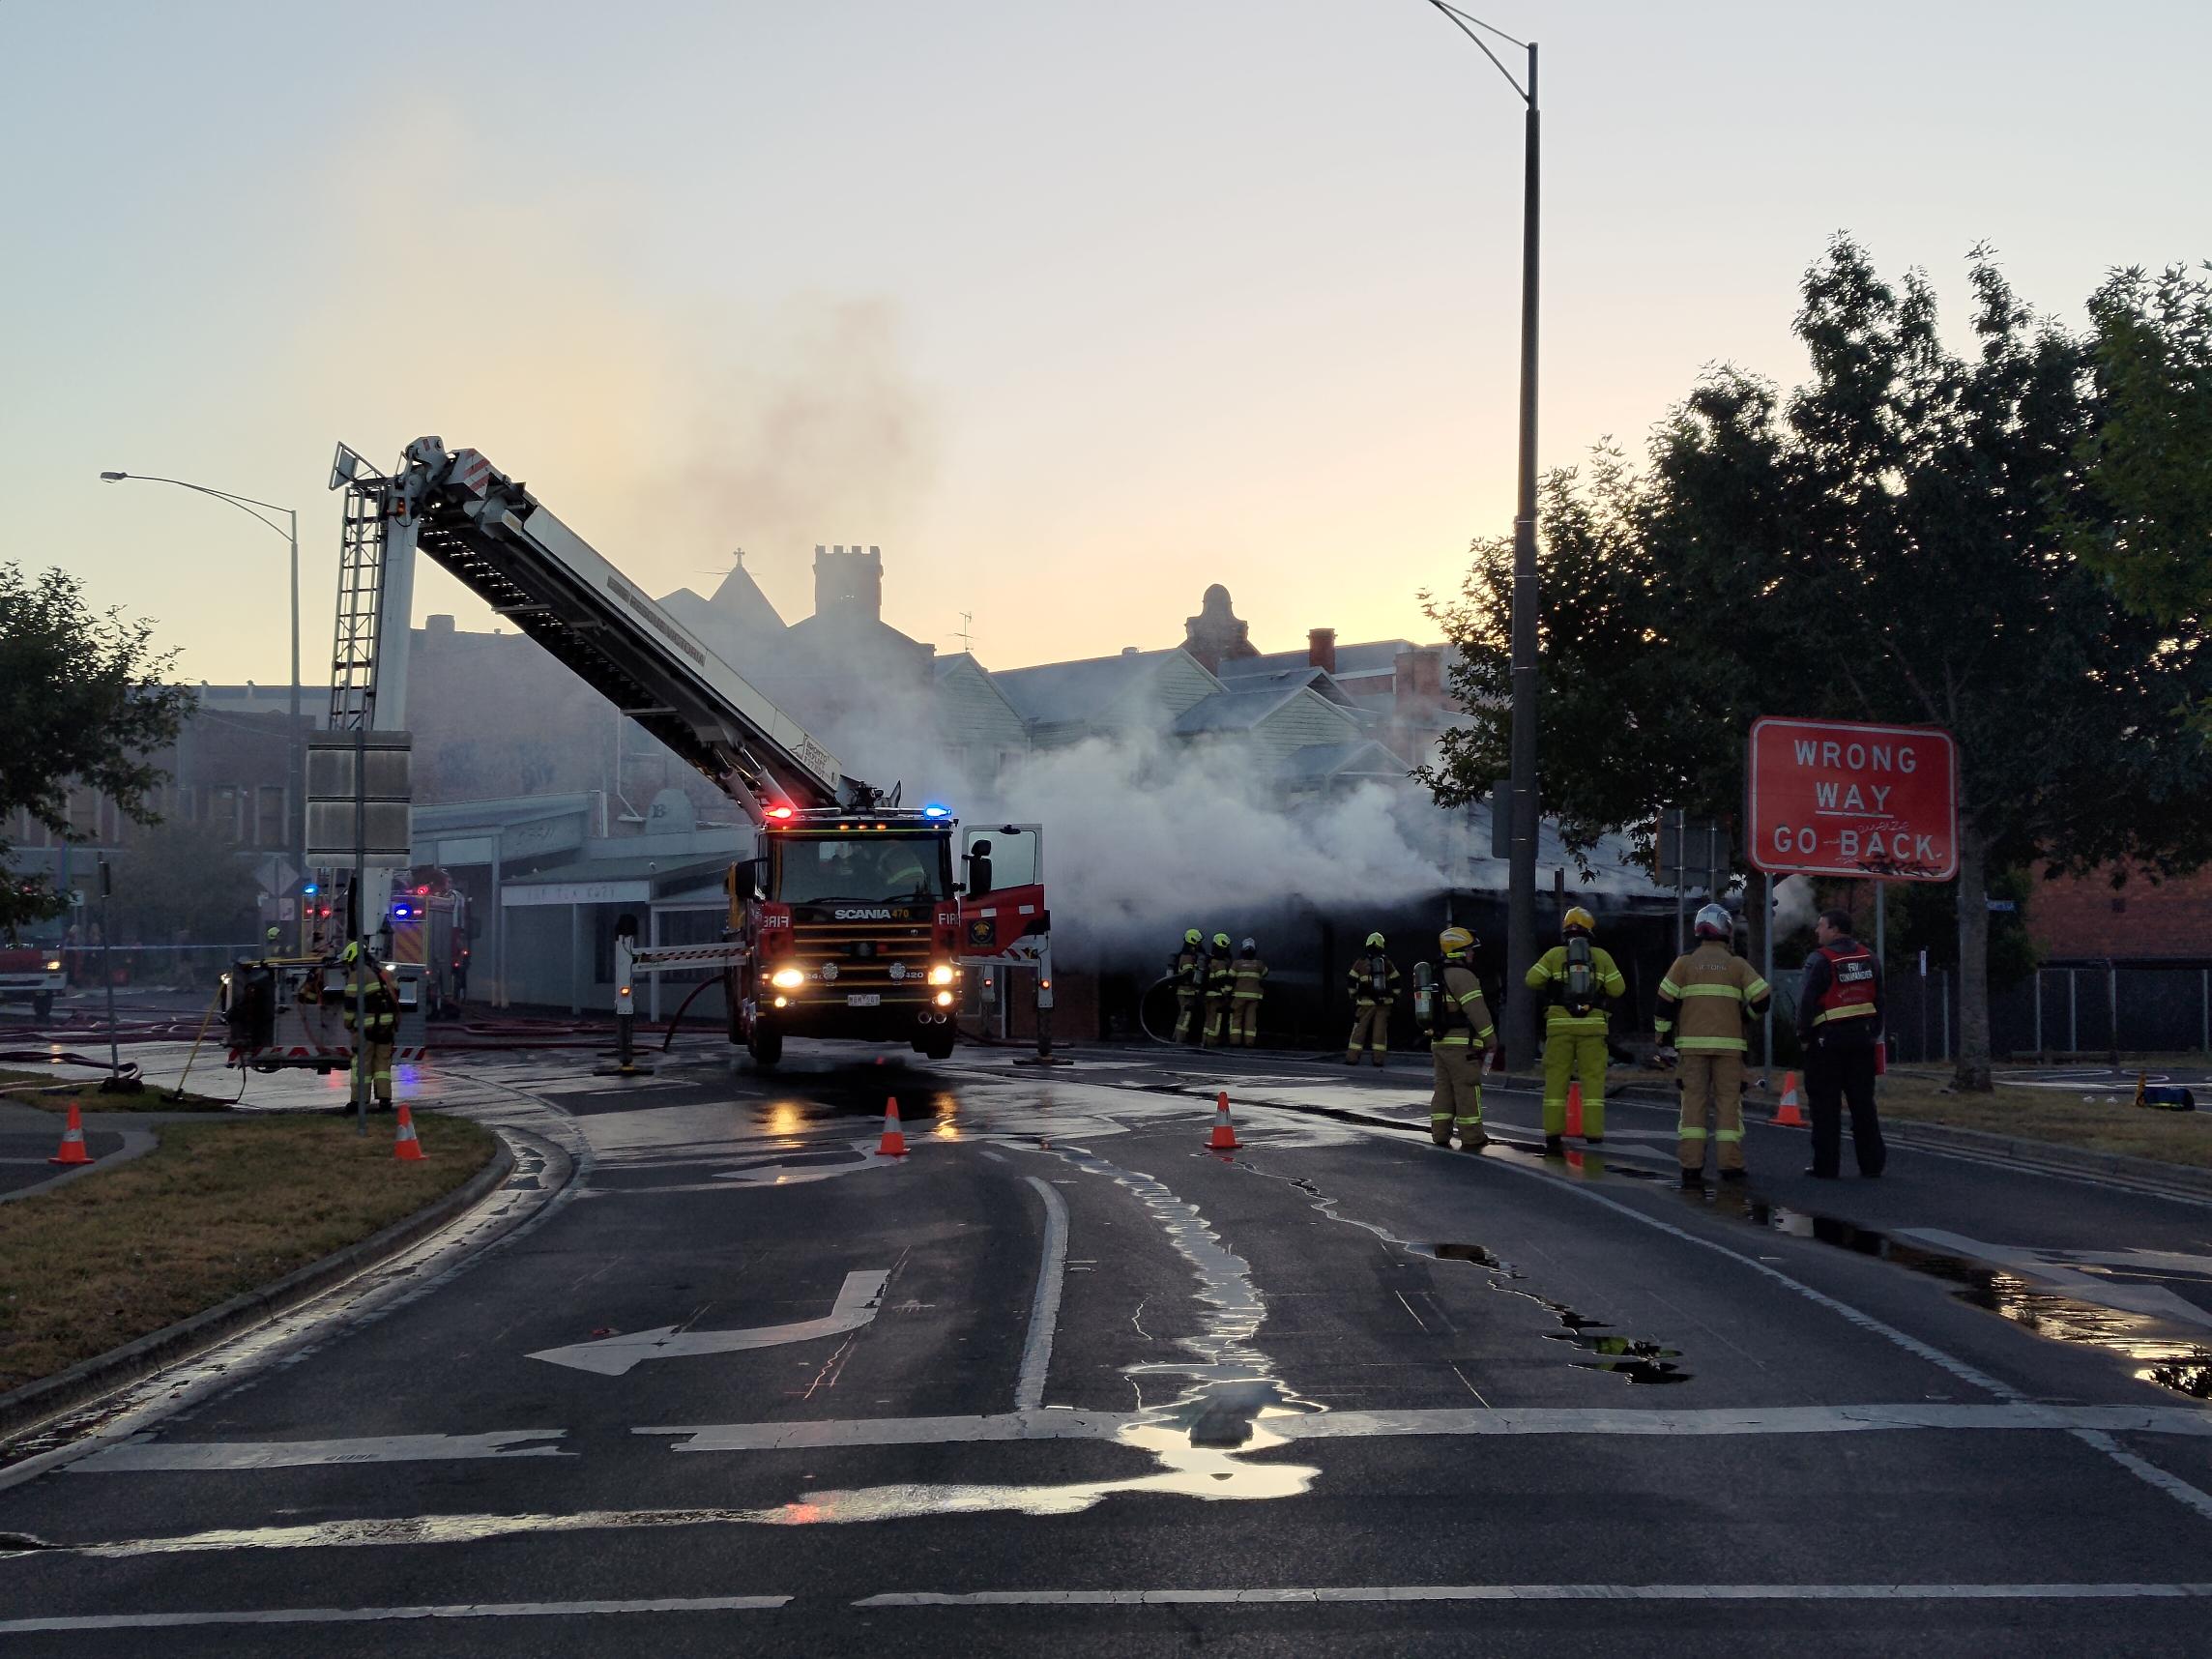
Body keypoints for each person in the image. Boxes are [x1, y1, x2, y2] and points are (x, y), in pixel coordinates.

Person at [1655, 903, 1772, 1186]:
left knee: (1693, 1106)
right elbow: (1763, 998)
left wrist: (1663, 1040)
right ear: (1726, 930)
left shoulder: (1684, 962)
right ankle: (1730, 1166)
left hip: (1692, 1050)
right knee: (1728, 1105)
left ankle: (1691, 1167)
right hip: (1729, 1050)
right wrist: (1744, 1017)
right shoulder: (1736, 964)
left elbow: (1663, 1003)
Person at [1525, 906, 1625, 1151]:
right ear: (1590, 931)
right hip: (1592, 1028)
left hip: (1559, 1027)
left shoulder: (1553, 955)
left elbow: (1531, 979)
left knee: (1556, 1080)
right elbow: (1618, 989)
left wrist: (1554, 981)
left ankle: (1552, 1134)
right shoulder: (1601, 957)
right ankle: (1593, 1134)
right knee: (1592, 1081)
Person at [1797, 908, 1887, 1179]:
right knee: (1863, 1104)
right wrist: (1874, 1033)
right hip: (1862, 1041)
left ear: (1835, 929)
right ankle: (1872, 1164)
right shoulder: (1869, 958)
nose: (1817, 930)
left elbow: (1806, 1001)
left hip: (1828, 1043)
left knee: (1825, 1106)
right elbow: (1879, 999)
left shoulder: (1820, 960)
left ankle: (1826, 1166)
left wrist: (1803, 1036)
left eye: (1821, 925)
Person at [1425, 926, 1496, 1150]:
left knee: (1443, 1089)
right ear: (1459, 951)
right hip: (1461, 1046)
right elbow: (1477, 1012)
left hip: (1439, 1043)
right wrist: (1491, 1040)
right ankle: (1473, 1137)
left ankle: (1440, 1134)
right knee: (1467, 1088)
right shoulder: (1463, 976)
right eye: (1469, 950)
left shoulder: (1437, 974)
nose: (1472, 954)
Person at [339, 941, 401, 1114]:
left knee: (362, 1064)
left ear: (352, 958)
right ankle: (385, 1100)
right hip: (387, 1026)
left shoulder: (357, 974)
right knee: (382, 1065)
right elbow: (396, 993)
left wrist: (348, 1023)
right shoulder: (382, 972)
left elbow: (351, 1003)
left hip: (366, 1028)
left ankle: (358, 1101)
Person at [1344, 931, 1400, 1067]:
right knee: (1380, 1032)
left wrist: (1354, 994)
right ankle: (1378, 1060)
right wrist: (1392, 995)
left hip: (1365, 1004)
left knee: (1359, 1031)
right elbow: (1396, 981)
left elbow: (1351, 980)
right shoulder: (1386, 962)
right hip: (1383, 1004)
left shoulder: (1361, 962)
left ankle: (1352, 1058)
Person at [1229, 937, 1268, 1047]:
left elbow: (1230, 977)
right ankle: (1249, 1042)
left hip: (1238, 996)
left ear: (1242, 950)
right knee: (1251, 1019)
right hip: (1254, 997)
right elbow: (1266, 972)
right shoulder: (1259, 964)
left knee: (1236, 1018)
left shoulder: (1236, 964)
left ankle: (1235, 1041)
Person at [1170, 928, 1208, 1044]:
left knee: (1183, 1014)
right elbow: (1187, 973)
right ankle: (1180, 1039)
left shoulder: (1188, 955)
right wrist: (1198, 971)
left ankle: (1176, 1037)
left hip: (1186, 991)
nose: (1200, 944)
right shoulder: (1187, 957)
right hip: (1186, 991)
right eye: (1198, 941)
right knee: (1186, 1014)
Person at [1202, 932, 1236, 1047]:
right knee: (1216, 1020)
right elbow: (1222, 980)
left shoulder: (1209, 960)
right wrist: (1226, 993)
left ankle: (1204, 1041)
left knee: (1208, 1019)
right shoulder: (1220, 963)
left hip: (1207, 994)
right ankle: (1213, 1042)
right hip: (1217, 995)